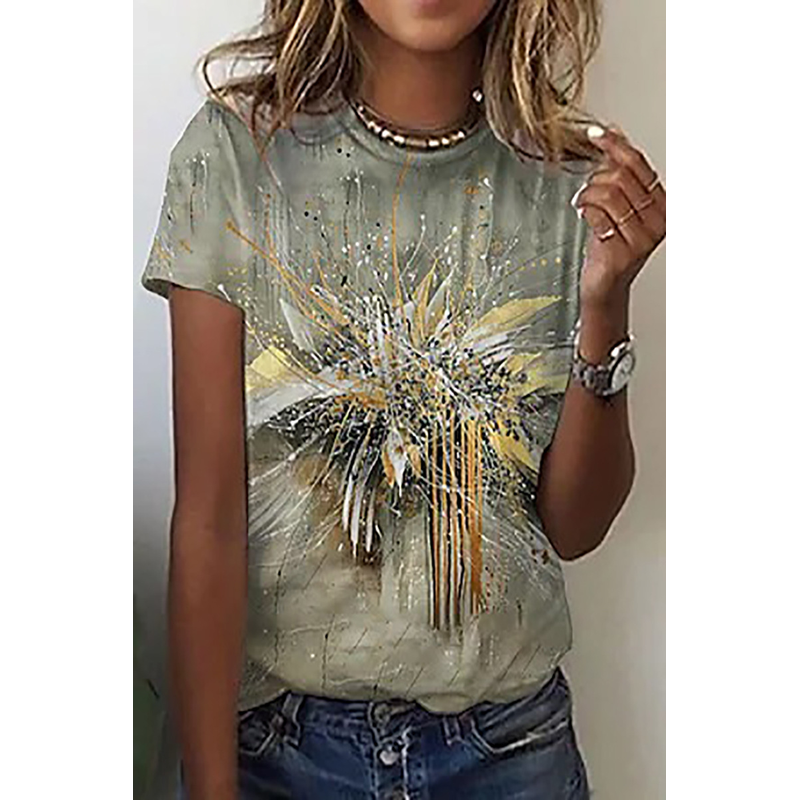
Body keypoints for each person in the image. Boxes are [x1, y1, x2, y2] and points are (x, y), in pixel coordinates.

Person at [139, 1, 666, 797]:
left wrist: (606, 301)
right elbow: (209, 522)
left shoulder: (572, 186)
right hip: (280, 752)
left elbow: (575, 526)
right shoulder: (237, 157)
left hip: (508, 750)